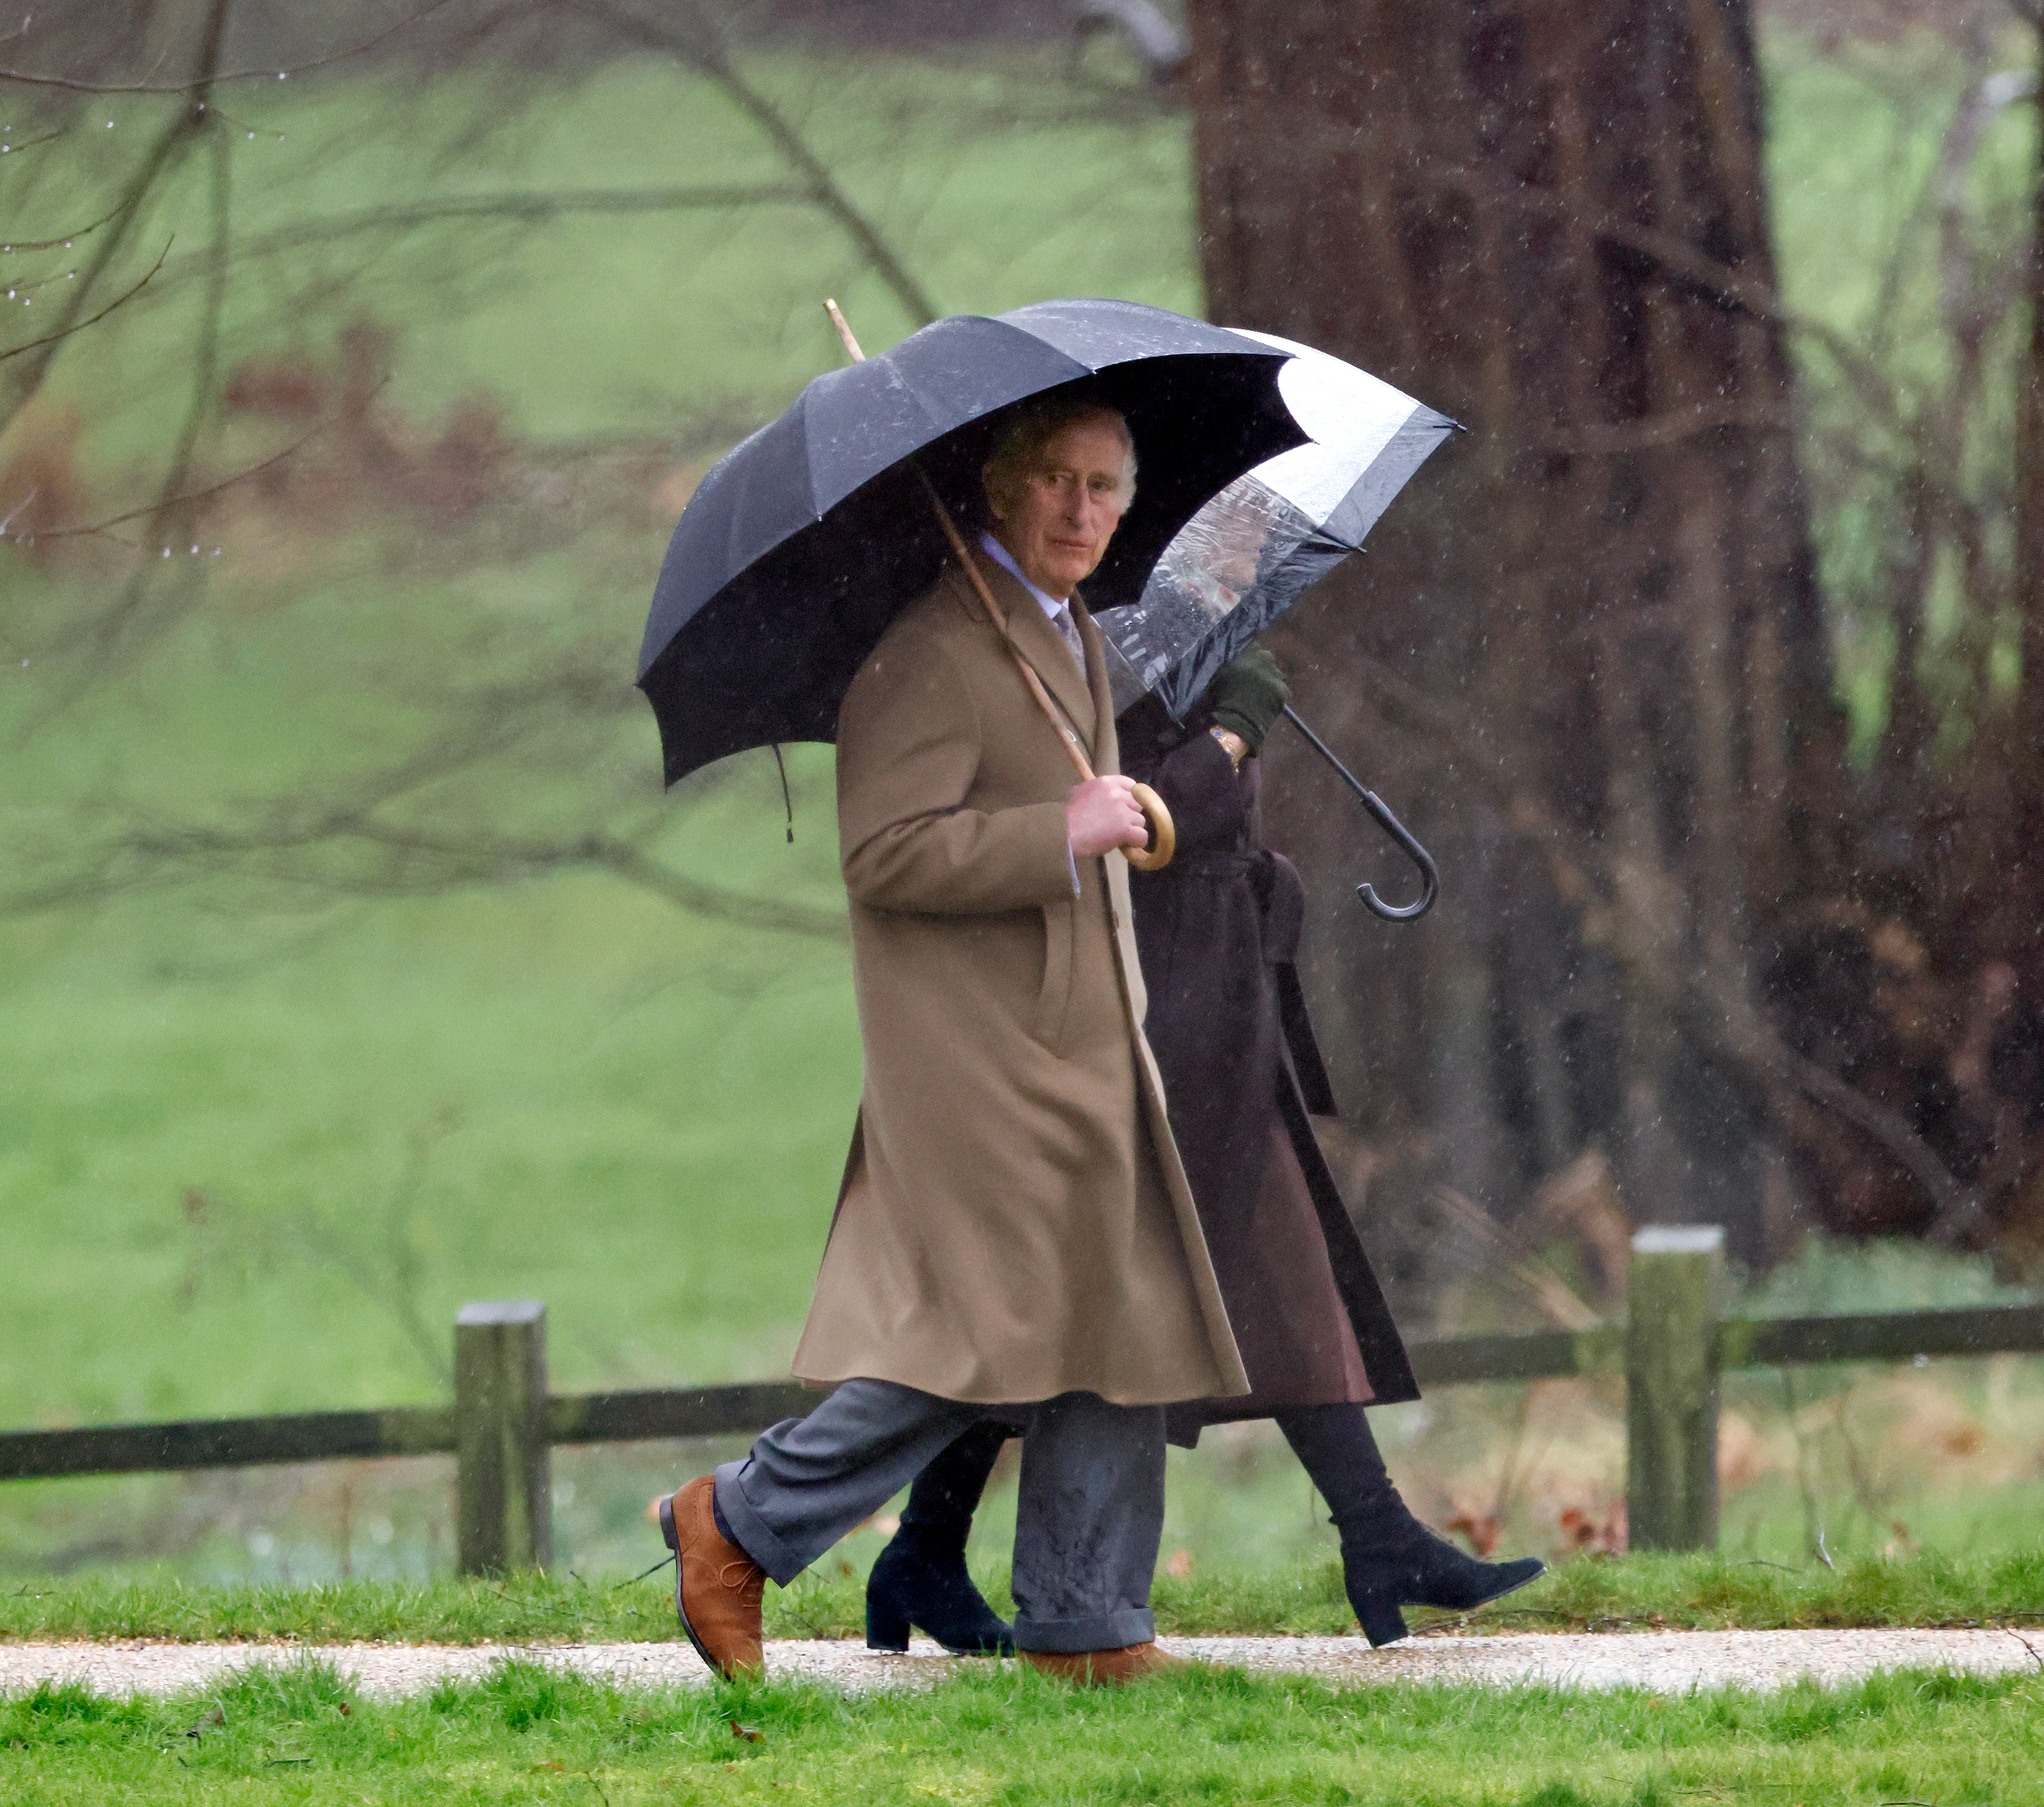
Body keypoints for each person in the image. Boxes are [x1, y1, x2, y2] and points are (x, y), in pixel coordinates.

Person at [659, 392, 1249, 1686]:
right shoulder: (930, 651)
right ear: (996, 486)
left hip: (1087, 1043)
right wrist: (1062, 832)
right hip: (985, 1062)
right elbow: (884, 854)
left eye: (1103, 486)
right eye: (1053, 479)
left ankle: (1086, 1627)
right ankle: (739, 1520)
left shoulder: (1069, 634)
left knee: (1121, 1303)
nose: (1080, 510)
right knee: (991, 1333)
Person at [861, 649, 1546, 1653]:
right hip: (1154, 1010)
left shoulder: (1183, 642)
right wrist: (1234, 731)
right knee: (1058, 1301)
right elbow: (1147, 824)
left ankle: (1377, 1531)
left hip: (1222, 1008)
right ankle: (918, 1542)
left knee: (1286, 1268)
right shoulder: (1089, 657)